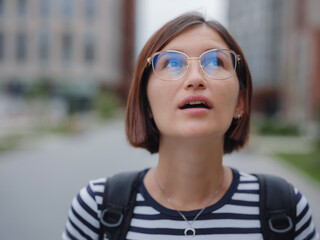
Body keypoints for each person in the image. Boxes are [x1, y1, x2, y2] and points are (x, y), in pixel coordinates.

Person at [63, 12, 319, 240]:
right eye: (172, 63)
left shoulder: (286, 211)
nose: (195, 79)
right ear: (147, 103)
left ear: (240, 102)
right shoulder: (96, 209)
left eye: (216, 62)